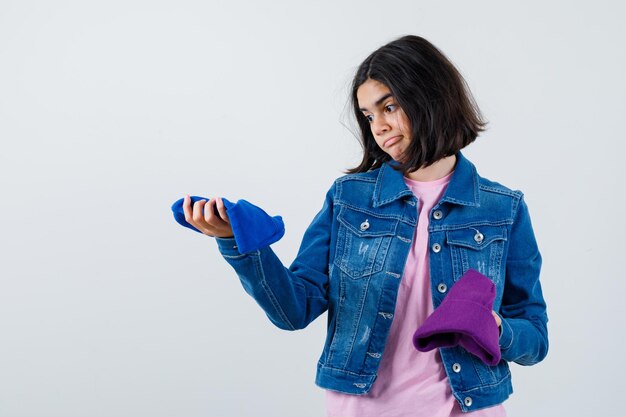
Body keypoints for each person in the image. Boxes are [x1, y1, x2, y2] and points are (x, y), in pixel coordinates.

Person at [181, 35, 548, 416]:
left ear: (431, 98)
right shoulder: (348, 199)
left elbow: (535, 338)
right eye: (369, 115)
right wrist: (241, 245)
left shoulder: (503, 208)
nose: (379, 126)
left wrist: (494, 328)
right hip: (362, 408)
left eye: (389, 106)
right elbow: (293, 310)